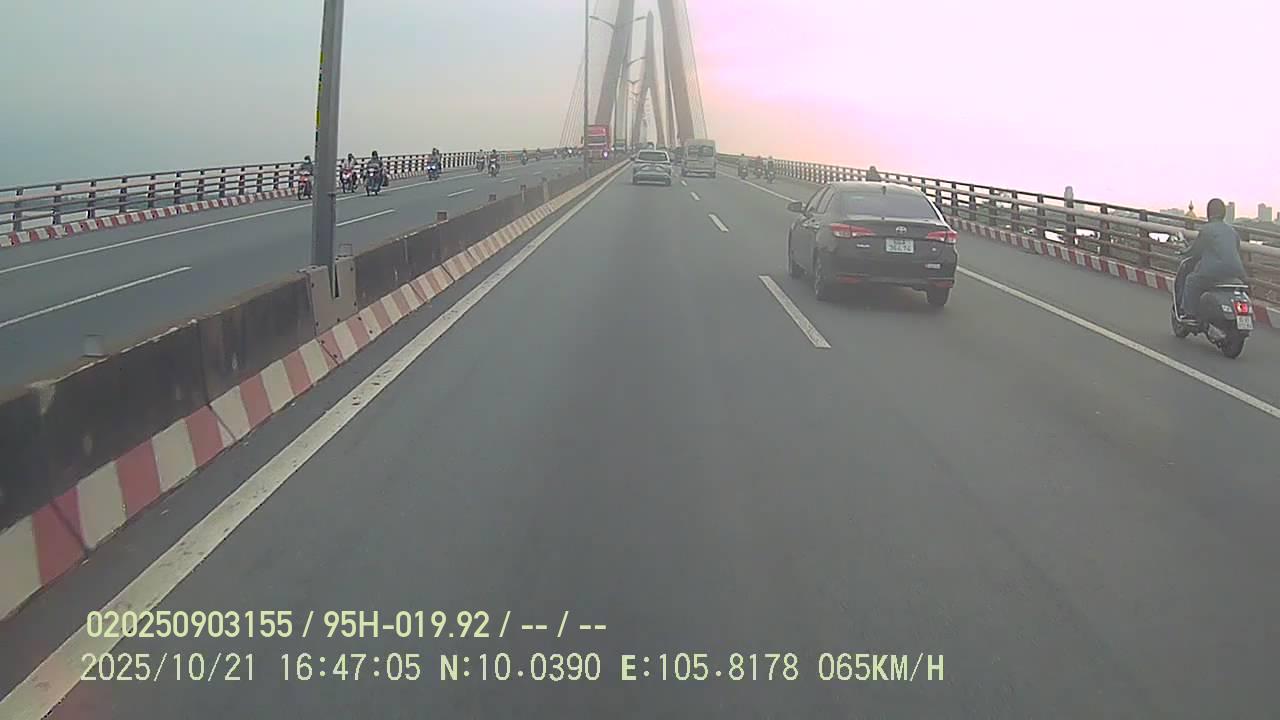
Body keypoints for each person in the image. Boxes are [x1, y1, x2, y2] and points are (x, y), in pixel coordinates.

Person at [1179, 198, 1246, 319]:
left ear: (1209, 212)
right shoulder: (1233, 231)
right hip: (1235, 273)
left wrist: (1183, 251)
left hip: (1212, 273)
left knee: (1191, 281)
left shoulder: (1207, 229)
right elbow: (1236, 250)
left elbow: (1196, 250)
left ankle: (1190, 314)